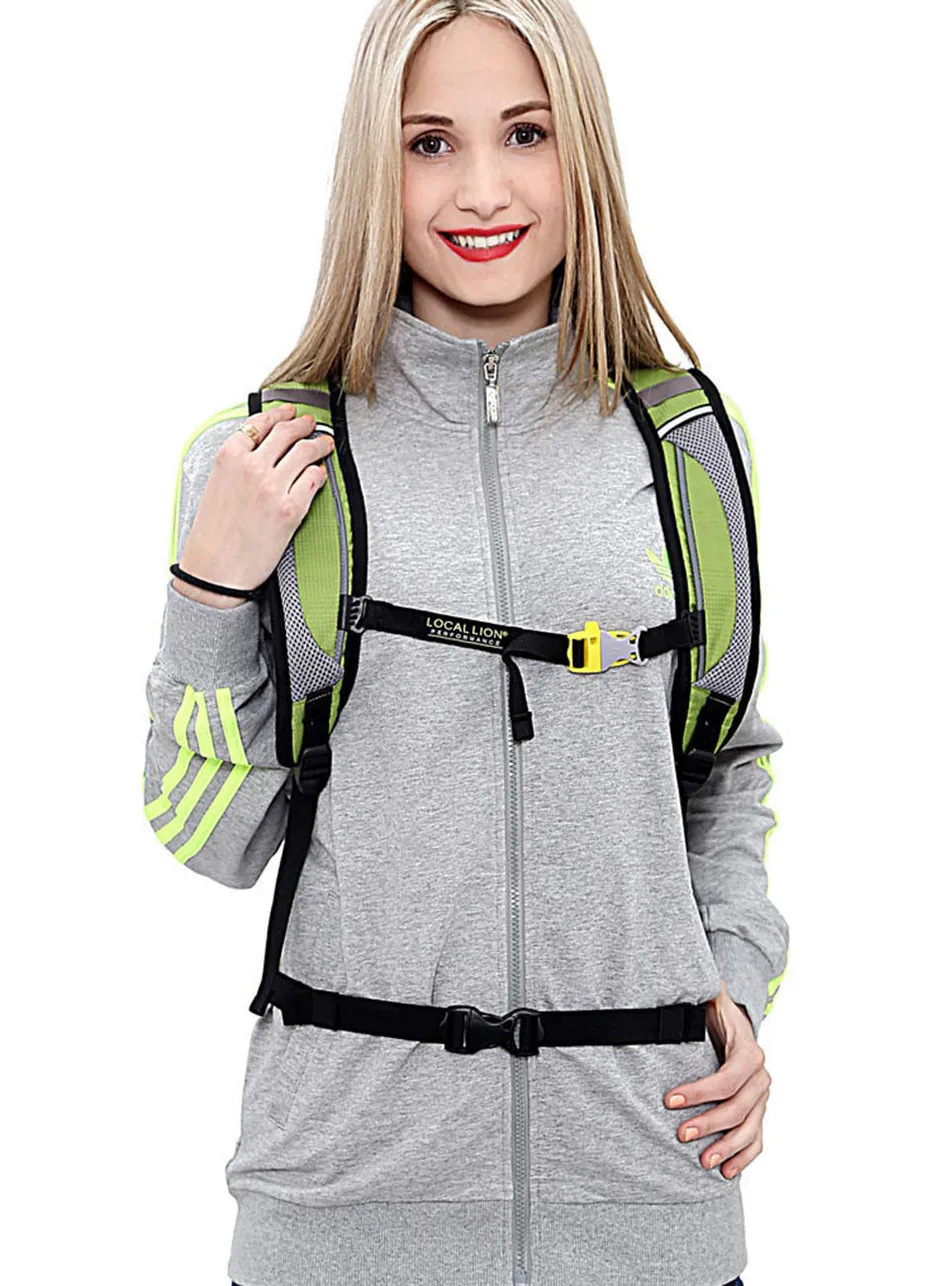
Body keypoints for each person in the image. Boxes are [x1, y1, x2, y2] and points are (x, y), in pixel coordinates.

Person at [142, 2, 787, 1283]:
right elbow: (208, 834)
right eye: (427, 142)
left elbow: (719, 760)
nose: (480, 189)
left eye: (525, 133)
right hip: (339, 1204)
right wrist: (208, 588)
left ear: (580, 149)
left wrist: (733, 979)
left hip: (648, 1180)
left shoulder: (688, 449)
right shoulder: (259, 457)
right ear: (370, 167)